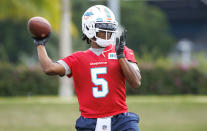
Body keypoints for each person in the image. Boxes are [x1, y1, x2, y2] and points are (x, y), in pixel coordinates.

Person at [33, 5, 141, 131]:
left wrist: (120, 56)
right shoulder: (78, 58)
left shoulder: (123, 52)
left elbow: (136, 83)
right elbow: (49, 68)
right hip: (89, 122)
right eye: (103, 30)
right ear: (89, 29)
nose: (108, 35)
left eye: (110, 30)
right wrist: (40, 44)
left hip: (121, 120)